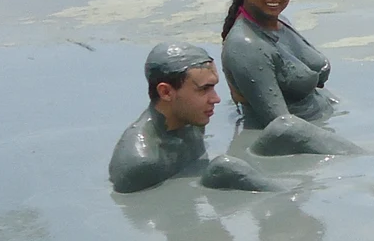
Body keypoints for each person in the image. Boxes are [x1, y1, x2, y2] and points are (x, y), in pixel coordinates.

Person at [108, 42, 274, 194]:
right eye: (204, 89)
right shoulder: (141, 163)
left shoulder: (192, 122)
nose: (216, 99)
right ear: (166, 92)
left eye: (213, 87)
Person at [220, 0, 340, 132]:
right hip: (296, 137)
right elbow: (282, 127)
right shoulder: (246, 46)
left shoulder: (281, 22)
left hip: (323, 122)